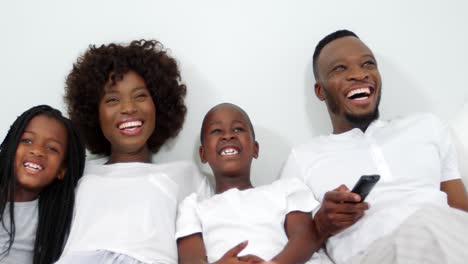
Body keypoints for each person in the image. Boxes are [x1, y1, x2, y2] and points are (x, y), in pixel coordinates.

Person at [280, 30, 468, 264]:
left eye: (368, 64)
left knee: (433, 224)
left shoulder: (426, 126)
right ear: (320, 91)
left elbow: (460, 212)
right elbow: (296, 243)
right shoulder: (302, 158)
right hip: (373, 255)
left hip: (448, 244)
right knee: (424, 225)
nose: (359, 74)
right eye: (340, 68)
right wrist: (321, 225)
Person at [56, 40, 211, 264]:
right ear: (94, 113)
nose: (128, 108)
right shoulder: (76, 172)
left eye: (140, 96)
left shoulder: (185, 175)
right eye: (112, 99)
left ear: (158, 104)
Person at [176, 103, 321, 264]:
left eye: (238, 129)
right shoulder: (193, 207)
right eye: (217, 131)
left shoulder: (285, 190)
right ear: (203, 154)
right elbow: (191, 260)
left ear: (255, 148)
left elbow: (305, 237)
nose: (228, 136)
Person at [0, 105, 86, 264]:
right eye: (27, 140)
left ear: (62, 170)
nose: (37, 151)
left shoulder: (55, 222)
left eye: (52, 148)